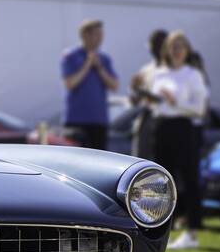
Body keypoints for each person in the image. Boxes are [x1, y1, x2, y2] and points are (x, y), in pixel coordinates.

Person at [150, 31, 210, 250]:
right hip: (162, 127)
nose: (176, 51)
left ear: (187, 51)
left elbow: (199, 109)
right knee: (162, 182)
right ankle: (160, 230)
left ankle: (191, 233)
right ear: (167, 50)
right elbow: (156, 105)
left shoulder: (193, 75)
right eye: (173, 46)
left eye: (180, 47)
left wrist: (175, 102)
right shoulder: (159, 75)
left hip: (184, 128)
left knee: (189, 180)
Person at [60, 19, 118, 149]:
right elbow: (70, 84)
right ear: (85, 35)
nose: (100, 39)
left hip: (99, 121)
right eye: (97, 34)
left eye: (101, 35)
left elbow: (114, 86)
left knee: (99, 161)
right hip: (76, 121)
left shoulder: (104, 59)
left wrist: (99, 68)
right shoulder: (70, 56)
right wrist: (87, 64)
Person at [129, 29, 168, 158]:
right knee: (141, 159)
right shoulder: (147, 69)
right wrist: (134, 90)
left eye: (159, 44)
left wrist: (144, 93)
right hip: (146, 119)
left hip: (165, 121)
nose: (154, 48)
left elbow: (165, 99)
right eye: (152, 44)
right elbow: (136, 101)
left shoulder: (172, 69)